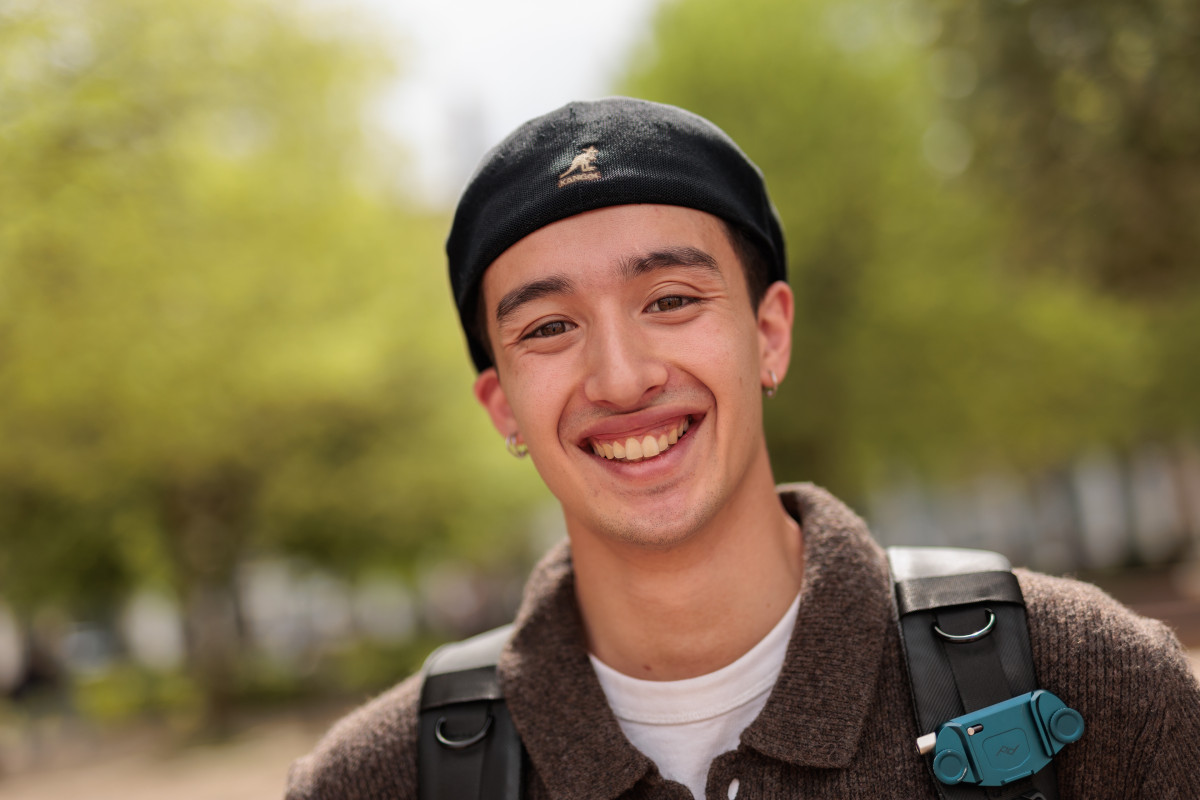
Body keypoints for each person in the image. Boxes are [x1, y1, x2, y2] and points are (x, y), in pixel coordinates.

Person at [285, 97, 1200, 799]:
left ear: (770, 335)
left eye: (671, 301)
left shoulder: (1092, 682)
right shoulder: (378, 779)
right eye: (550, 327)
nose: (620, 376)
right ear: (502, 406)